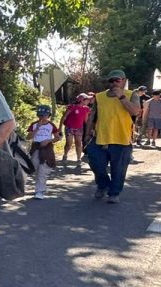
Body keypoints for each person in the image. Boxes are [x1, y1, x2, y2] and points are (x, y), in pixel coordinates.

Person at [85, 69, 142, 204]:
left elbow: (135, 111)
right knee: (95, 163)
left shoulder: (131, 94)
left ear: (123, 81)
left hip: (122, 139)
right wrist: (87, 133)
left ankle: (114, 193)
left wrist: (121, 97)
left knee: (119, 169)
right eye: (111, 81)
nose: (114, 83)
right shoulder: (100, 96)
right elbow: (92, 115)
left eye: (117, 80)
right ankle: (103, 184)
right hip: (100, 138)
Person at [26, 105, 62, 199]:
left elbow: (58, 138)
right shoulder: (34, 124)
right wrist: (37, 128)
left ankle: (40, 191)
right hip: (36, 148)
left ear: (48, 115)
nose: (42, 117)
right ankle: (38, 186)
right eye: (40, 115)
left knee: (43, 169)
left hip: (47, 149)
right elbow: (28, 137)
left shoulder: (51, 125)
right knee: (33, 167)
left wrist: (48, 141)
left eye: (44, 115)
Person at [60, 94, 92, 169]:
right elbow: (64, 117)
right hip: (69, 128)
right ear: (82, 100)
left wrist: (90, 129)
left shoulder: (86, 109)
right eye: (87, 99)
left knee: (78, 143)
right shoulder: (72, 107)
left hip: (79, 128)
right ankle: (65, 155)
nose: (89, 101)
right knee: (69, 143)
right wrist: (60, 128)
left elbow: (86, 120)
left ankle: (78, 159)